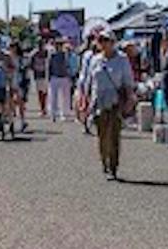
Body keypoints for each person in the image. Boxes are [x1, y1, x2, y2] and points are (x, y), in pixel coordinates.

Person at [80, 29, 136, 180]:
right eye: (101, 41)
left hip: (115, 101)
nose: (103, 44)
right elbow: (88, 81)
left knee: (114, 135)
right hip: (98, 101)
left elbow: (128, 82)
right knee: (102, 134)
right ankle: (104, 160)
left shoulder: (122, 59)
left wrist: (130, 99)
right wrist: (84, 100)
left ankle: (113, 165)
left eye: (106, 41)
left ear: (113, 42)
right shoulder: (95, 60)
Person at [47, 39, 73, 121]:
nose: (58, 46)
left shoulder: (66, 54)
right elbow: (48, 66)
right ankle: (53, 113)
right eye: (57, 44)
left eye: (60, 44)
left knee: (65, 97)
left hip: (64, 77)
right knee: (53, 97)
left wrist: (70, 76)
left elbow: (69, 65)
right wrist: (48, 77)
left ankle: (64, 113)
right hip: (54, 77)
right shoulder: (52, 54)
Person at [31, 42, 50, 116]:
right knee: (40, 93)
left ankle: (44, 108)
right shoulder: (34, 53)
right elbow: (30, 64)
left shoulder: (47, 53)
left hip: (46, 75)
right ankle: (42, 109)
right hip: (38, 75)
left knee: (45, 93)